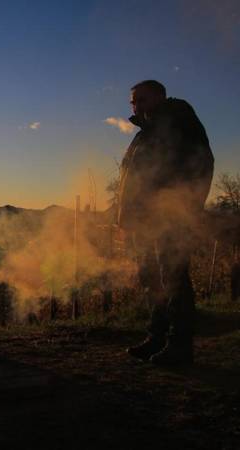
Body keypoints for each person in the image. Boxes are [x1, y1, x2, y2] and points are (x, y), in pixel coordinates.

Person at [119, 80, 214, 366]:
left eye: (142, 100)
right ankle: (157, 338)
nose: (136, 106)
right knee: (152, 280)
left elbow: (200, 164)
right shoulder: (144, 134)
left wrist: (182, 207)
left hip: (170, 218)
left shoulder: (179, 121)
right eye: (133, 102)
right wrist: (124, 218)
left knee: (173, 280)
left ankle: (180, 346)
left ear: (160, 97)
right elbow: (130, 180)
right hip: (145, 221)